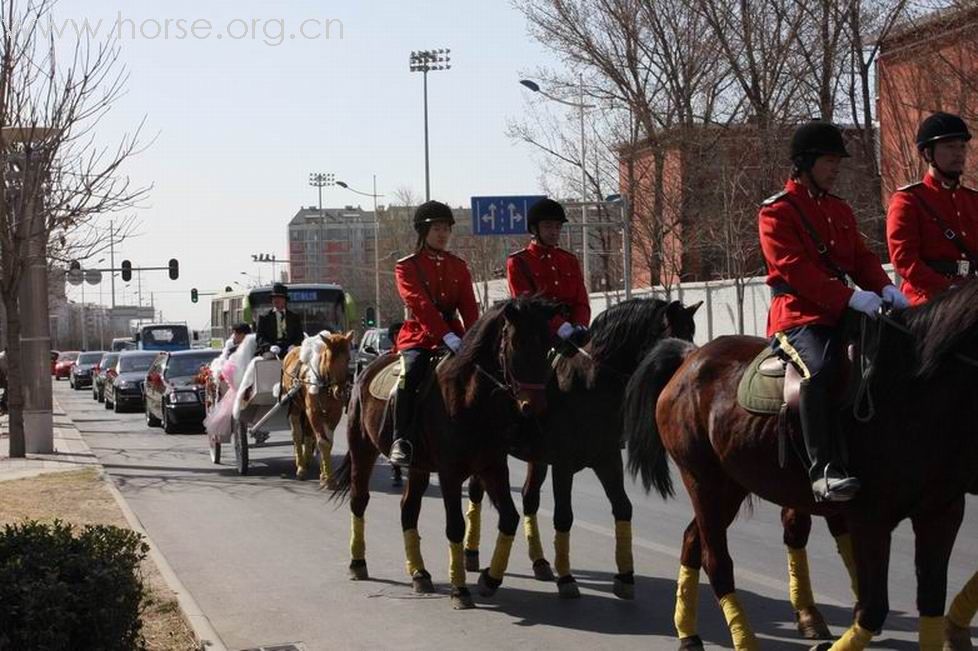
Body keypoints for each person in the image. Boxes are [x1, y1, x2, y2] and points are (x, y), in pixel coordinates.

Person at [759, 120, 909, 502]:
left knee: (895, 353)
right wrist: (850, 298)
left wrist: (887, 288)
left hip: (843, 311)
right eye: (828, 161)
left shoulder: (839, 210)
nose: (835, 168)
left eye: (836, 162)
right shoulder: (778, 212)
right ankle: (822, 468)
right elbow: (794, 268)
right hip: (797, 316)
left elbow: (859, 258)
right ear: (805, 162)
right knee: (820, 370)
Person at [389, 201, 480, 467]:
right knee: (411, 372)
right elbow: (419, 304)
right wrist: (444, 336)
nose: (443, 234)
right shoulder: (407, 266)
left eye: (446, 228)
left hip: (457, 334)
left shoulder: (458, 265)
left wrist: (474, 337)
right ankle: (401, 439)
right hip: (420, 335)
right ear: (423, 231)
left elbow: (469, 307)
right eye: (437, 228)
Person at [887, 112, 978, 305]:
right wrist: (945, 290)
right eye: (950, 146)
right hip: (928, 302)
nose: (959, 153)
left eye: (962, 147)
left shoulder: (972, 199)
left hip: (970, 295)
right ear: (928, 153)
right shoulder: (908, 200)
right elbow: (904, 260)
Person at [506, 198, 590, 348]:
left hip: (573, 332)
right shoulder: (519, 262)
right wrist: (561, 327)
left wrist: (580, 325)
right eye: (548, 226)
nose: (554, 232)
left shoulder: (569, 260)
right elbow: (527, 305)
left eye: (558, 227)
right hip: (538, 335)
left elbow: (581, 300)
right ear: (534, 229)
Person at [256, 283, 304, 358]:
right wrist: (269, 347)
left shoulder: (294, 317)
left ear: (285, 300)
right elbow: (260, 337)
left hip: (290, 348)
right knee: (268, 358)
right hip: (272, 349)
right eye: (274, 298)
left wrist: (294, 345)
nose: (276, 300)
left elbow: (300, 335)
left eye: (279, 298)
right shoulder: (264, 317)